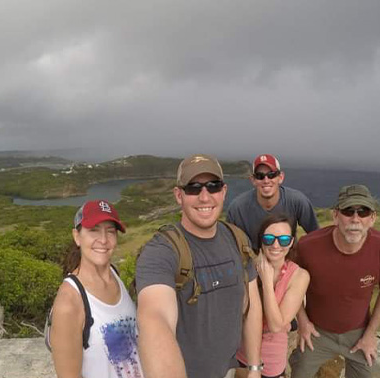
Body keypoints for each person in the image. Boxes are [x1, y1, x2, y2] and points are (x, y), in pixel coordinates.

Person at [135, 154, 263, 378]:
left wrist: (253, 367)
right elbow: (155, 319)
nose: (205, 197)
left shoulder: (237, 240)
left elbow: (252, 307)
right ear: (179, 195)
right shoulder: (161, 252)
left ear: (223, 192)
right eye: (193, 188)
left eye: (213, 187)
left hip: (229, 371)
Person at [289, 185, 380, 378]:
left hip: (358, 333)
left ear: (372, 218)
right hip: (316, 332)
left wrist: (370, 334)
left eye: (363, 212)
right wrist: (302, 322)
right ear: (336, 216)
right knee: (300, 371)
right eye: (348, 211)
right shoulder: (308, 246)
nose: (355, 219)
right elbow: (290, 283)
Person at [50, 200, 143, 378]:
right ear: (77, 236)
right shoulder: (69, 302)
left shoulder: (114, 274)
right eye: (94, 230)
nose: (103, 240)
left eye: (110, 231)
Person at [236, 213, 310, 378]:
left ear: (291, 242)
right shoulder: (246, 268)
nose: (276, 245)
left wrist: (267, 282)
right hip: (241, 351)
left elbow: (276, 326)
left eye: (283, 240)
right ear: (261, 240)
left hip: (271, 358)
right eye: (269, 238)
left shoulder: (299, 276)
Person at [227, 154, 318, 251]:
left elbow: (316, 236)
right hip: (253, 263)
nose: (266, 180)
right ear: (253, 180)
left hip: (288, 260)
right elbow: (229, 247)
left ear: (281, 177)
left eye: (271, 175)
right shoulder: (237, 209)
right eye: (260, 176)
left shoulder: (297, 201)